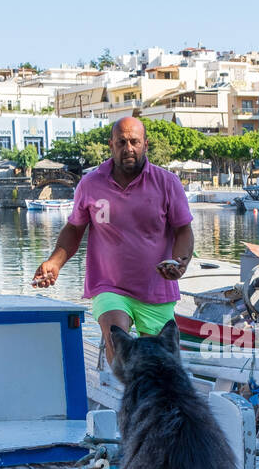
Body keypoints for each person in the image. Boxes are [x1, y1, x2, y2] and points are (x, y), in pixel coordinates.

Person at [31, 116, 193, 364]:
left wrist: (180, 262)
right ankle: (130, 398)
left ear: (146, 145)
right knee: (118, 344)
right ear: (111, 145)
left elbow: (183, 230)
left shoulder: (167, 183)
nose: (128, 148)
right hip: (110, 285)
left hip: (157, 288)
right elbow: (74, 229)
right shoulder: (90, 184)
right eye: (122, 142)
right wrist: (55, 262)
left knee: (162, 364)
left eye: (135, 142)